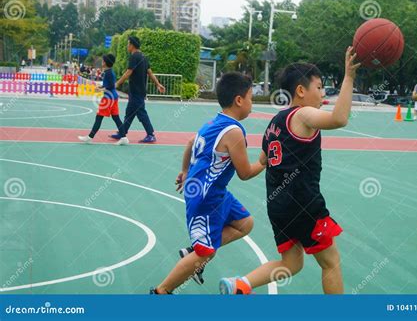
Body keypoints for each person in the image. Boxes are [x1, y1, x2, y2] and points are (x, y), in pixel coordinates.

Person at [219, 46, 360, 295]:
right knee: (331, 262)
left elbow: (262, 162)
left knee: (291, 264)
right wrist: (348, 77)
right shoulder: (304, 113)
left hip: (278, 205)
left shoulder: (275, 122)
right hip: (304, 203)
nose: (322, 93)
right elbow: (339, 119)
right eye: (318, 87)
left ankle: (240, 284)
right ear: (301, 91)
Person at [150, 72, 266, 294]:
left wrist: (185, 171)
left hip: (215, 193)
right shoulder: (234, 133)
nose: (252, 103)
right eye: (251, 97)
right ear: (239, 100)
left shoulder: (214, 122)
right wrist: (265, 162)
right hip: (206, 198)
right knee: (205, 252)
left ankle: (194, 250)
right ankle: (160, 292)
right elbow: (245, 173)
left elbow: (190, 142)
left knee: (245, 223)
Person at [110, 36, 166, 144]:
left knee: (141, 113)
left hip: (136, 91)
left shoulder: (134, 57)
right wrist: (158, 84)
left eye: (128, 44)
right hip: (137, 91)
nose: (127, 46)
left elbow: (128, 72)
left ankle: (150, 135)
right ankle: (122, 132)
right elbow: (150, 72)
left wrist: (117, 83)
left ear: (132, 45)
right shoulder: (143, 57)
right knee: (129, 113)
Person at [78, 54, 123, 143]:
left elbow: (109, 86)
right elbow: (110, 85)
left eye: (103, 61)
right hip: (114, 97)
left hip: (108, 98)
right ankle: (124, 137)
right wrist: (101, 87)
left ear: (105, 63)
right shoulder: (110, 72)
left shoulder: (108, 73)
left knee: (99, 117)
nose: (102, 62)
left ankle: (90, 137)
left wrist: (100, 89)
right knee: (116, 118)